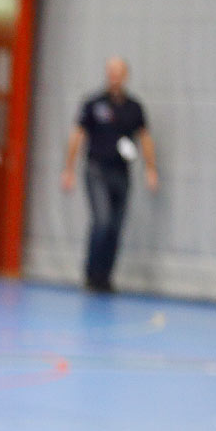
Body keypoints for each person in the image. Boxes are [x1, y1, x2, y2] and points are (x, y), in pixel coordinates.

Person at [61, 56, 158, 293]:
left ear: (125, 75)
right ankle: (91, 274)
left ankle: (105, 277)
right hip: (97, 170)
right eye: (111, 71)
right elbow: (78, 135)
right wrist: (69, 168)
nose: (114, 76)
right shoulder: (94, 104)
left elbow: (144, 138)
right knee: (102, 221)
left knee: (115, 226)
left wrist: (151, 169)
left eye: (119, 72)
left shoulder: (134, 107)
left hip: (121, 173)